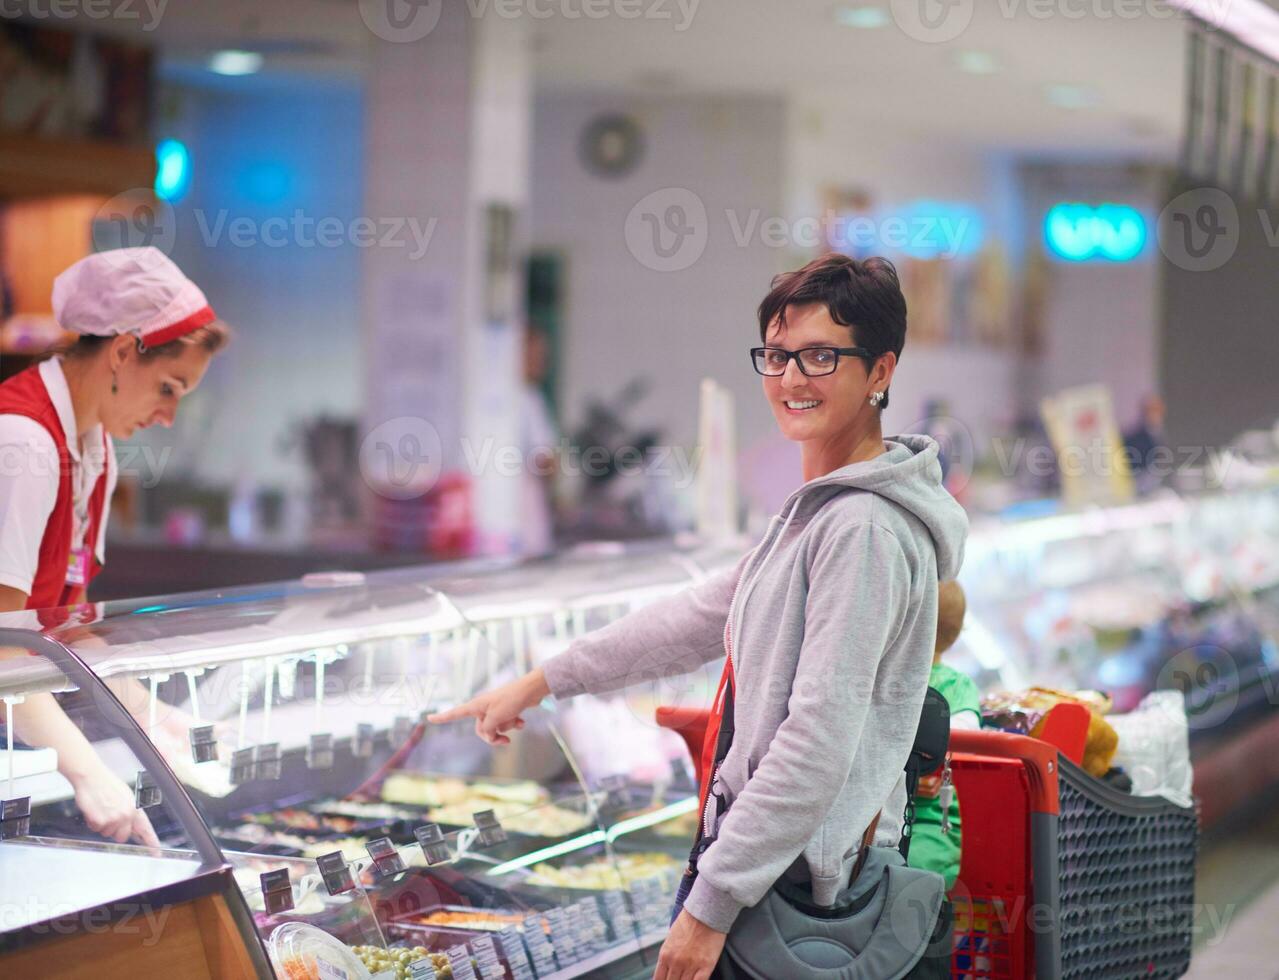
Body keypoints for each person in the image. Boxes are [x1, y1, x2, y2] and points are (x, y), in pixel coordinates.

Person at [431, 253, 968, 978]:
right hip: (769, 869)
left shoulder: (861, 528)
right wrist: (541, 681)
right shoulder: (820, 513)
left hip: (796, 890)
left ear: (879, 371)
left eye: (819, 356)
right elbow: (695, 615)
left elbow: (818, 739)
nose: (789, 379)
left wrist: (708, 904)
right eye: (776, 356)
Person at [0, 246, 228, 844]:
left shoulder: (93, 445)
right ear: (124, 353)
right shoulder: (23, 442)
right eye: (169, 388)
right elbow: (2, 650)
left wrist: (152, 715)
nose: (169, 416)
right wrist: (87, 769)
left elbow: (62, 630)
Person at [908, 580, 981, 890]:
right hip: (916, 825)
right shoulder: (959, 686)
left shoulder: (954, 686)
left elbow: (962, 740)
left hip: (932, 824)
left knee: (901, 872)